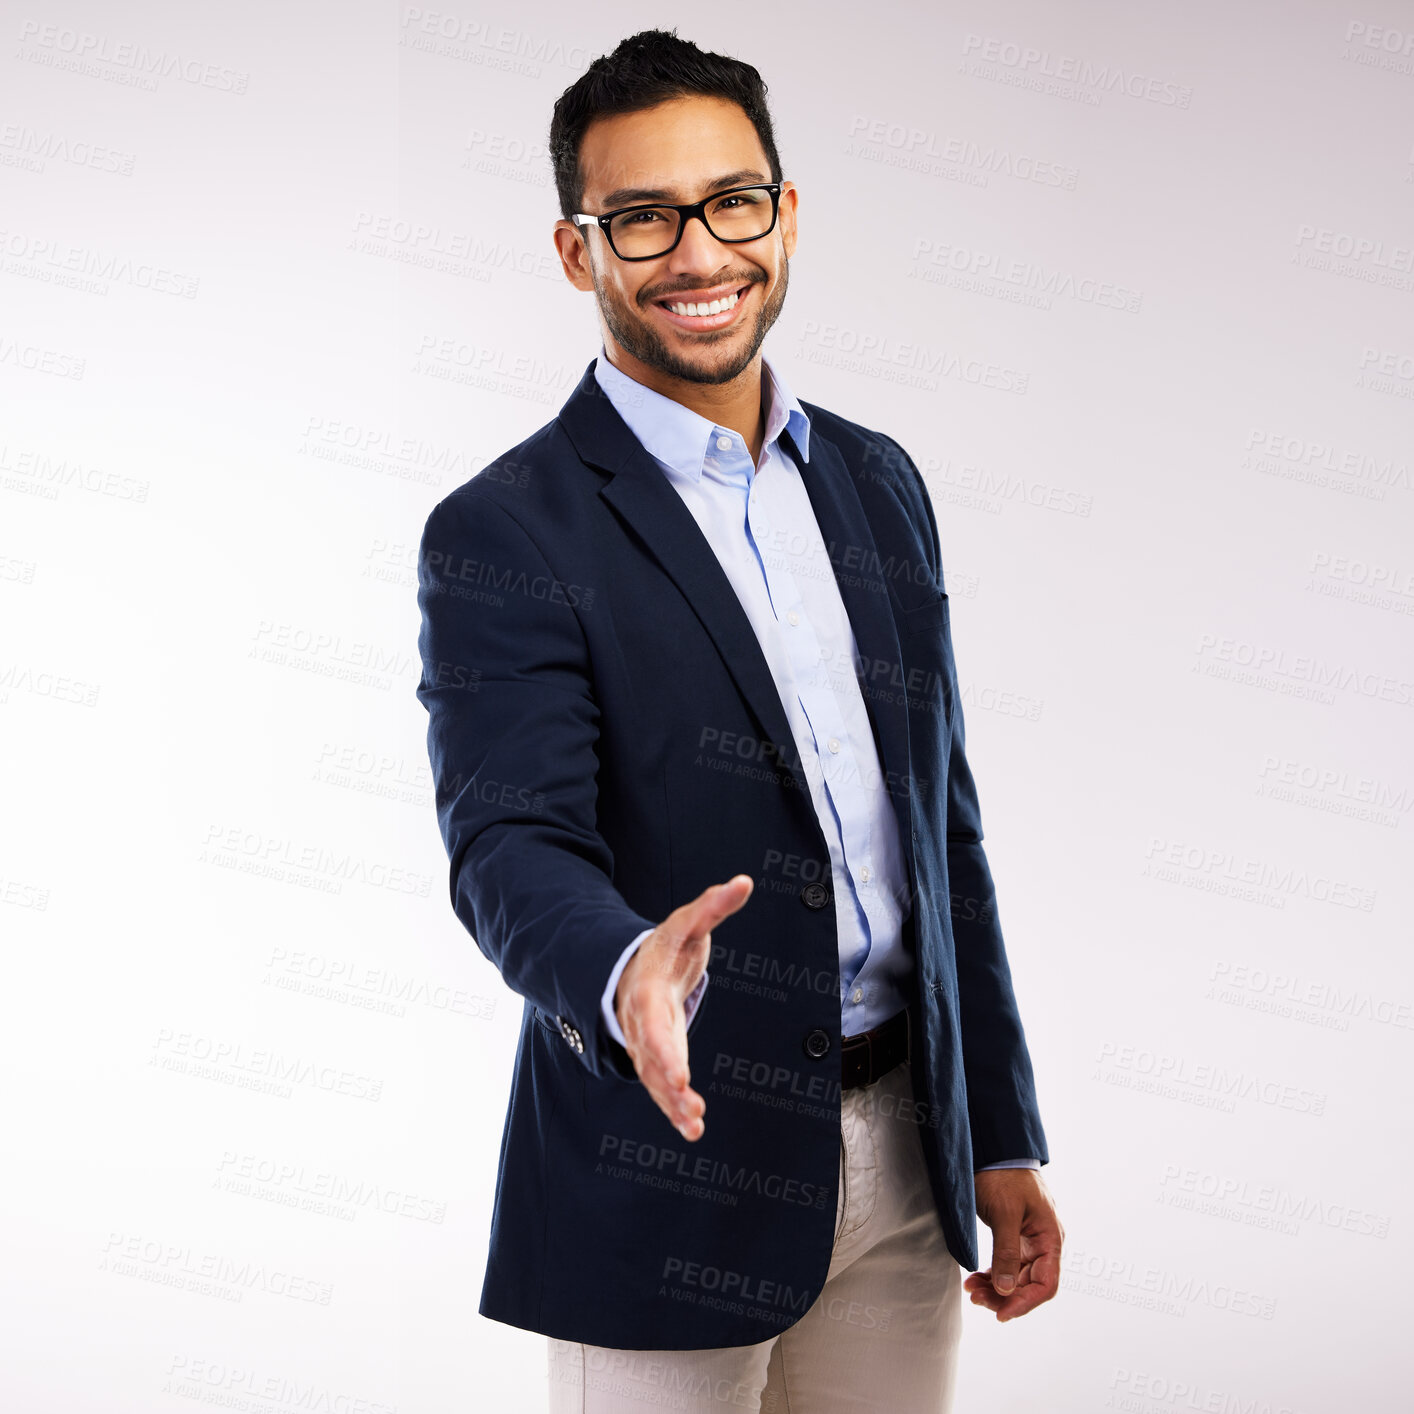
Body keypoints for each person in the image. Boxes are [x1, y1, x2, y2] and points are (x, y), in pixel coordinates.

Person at [415, 28, 1063, 1413]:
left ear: (783, 214)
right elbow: (507, 839)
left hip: (907, 1157)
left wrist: (995, 1129)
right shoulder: (505, 530)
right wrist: (623, 966)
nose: (698, 252)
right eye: (641, 217)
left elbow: (939, 831)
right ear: (575, 250)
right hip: (668, 1164)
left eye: (731, 202)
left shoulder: (878, 483)